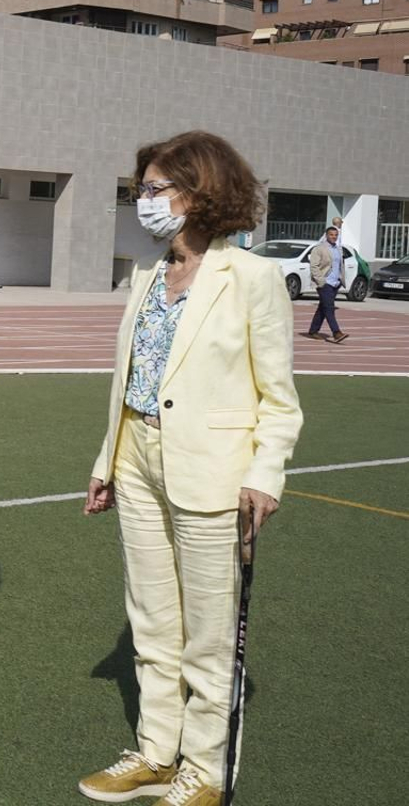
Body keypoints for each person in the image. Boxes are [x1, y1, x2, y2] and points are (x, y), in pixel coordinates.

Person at [80, 130, 301, 806]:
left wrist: (265, 474)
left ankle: (204, 769)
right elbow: (129, 378)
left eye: (155, 188)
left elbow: (279, 398)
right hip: (139, 459)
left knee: (209, 629)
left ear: (199, 193)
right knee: (150, 616)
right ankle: (155, 751)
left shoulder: (253, 277)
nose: (143, 201)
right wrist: (108, 460)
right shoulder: (147, 276)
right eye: (140, 189)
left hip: (214, 471)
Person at [304, 226, 349, 343]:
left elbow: (340, 265)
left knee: (323, 308)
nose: (334, 237)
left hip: (335, 283)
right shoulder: (319, 249)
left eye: (335, 235)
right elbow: (314, 266)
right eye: (331, 235)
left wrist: (340, 279)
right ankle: (336, 332)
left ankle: (313, 330)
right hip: (325, 283)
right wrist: (320, 281)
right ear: (326, 235)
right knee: (329, 308)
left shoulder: (338, 249)